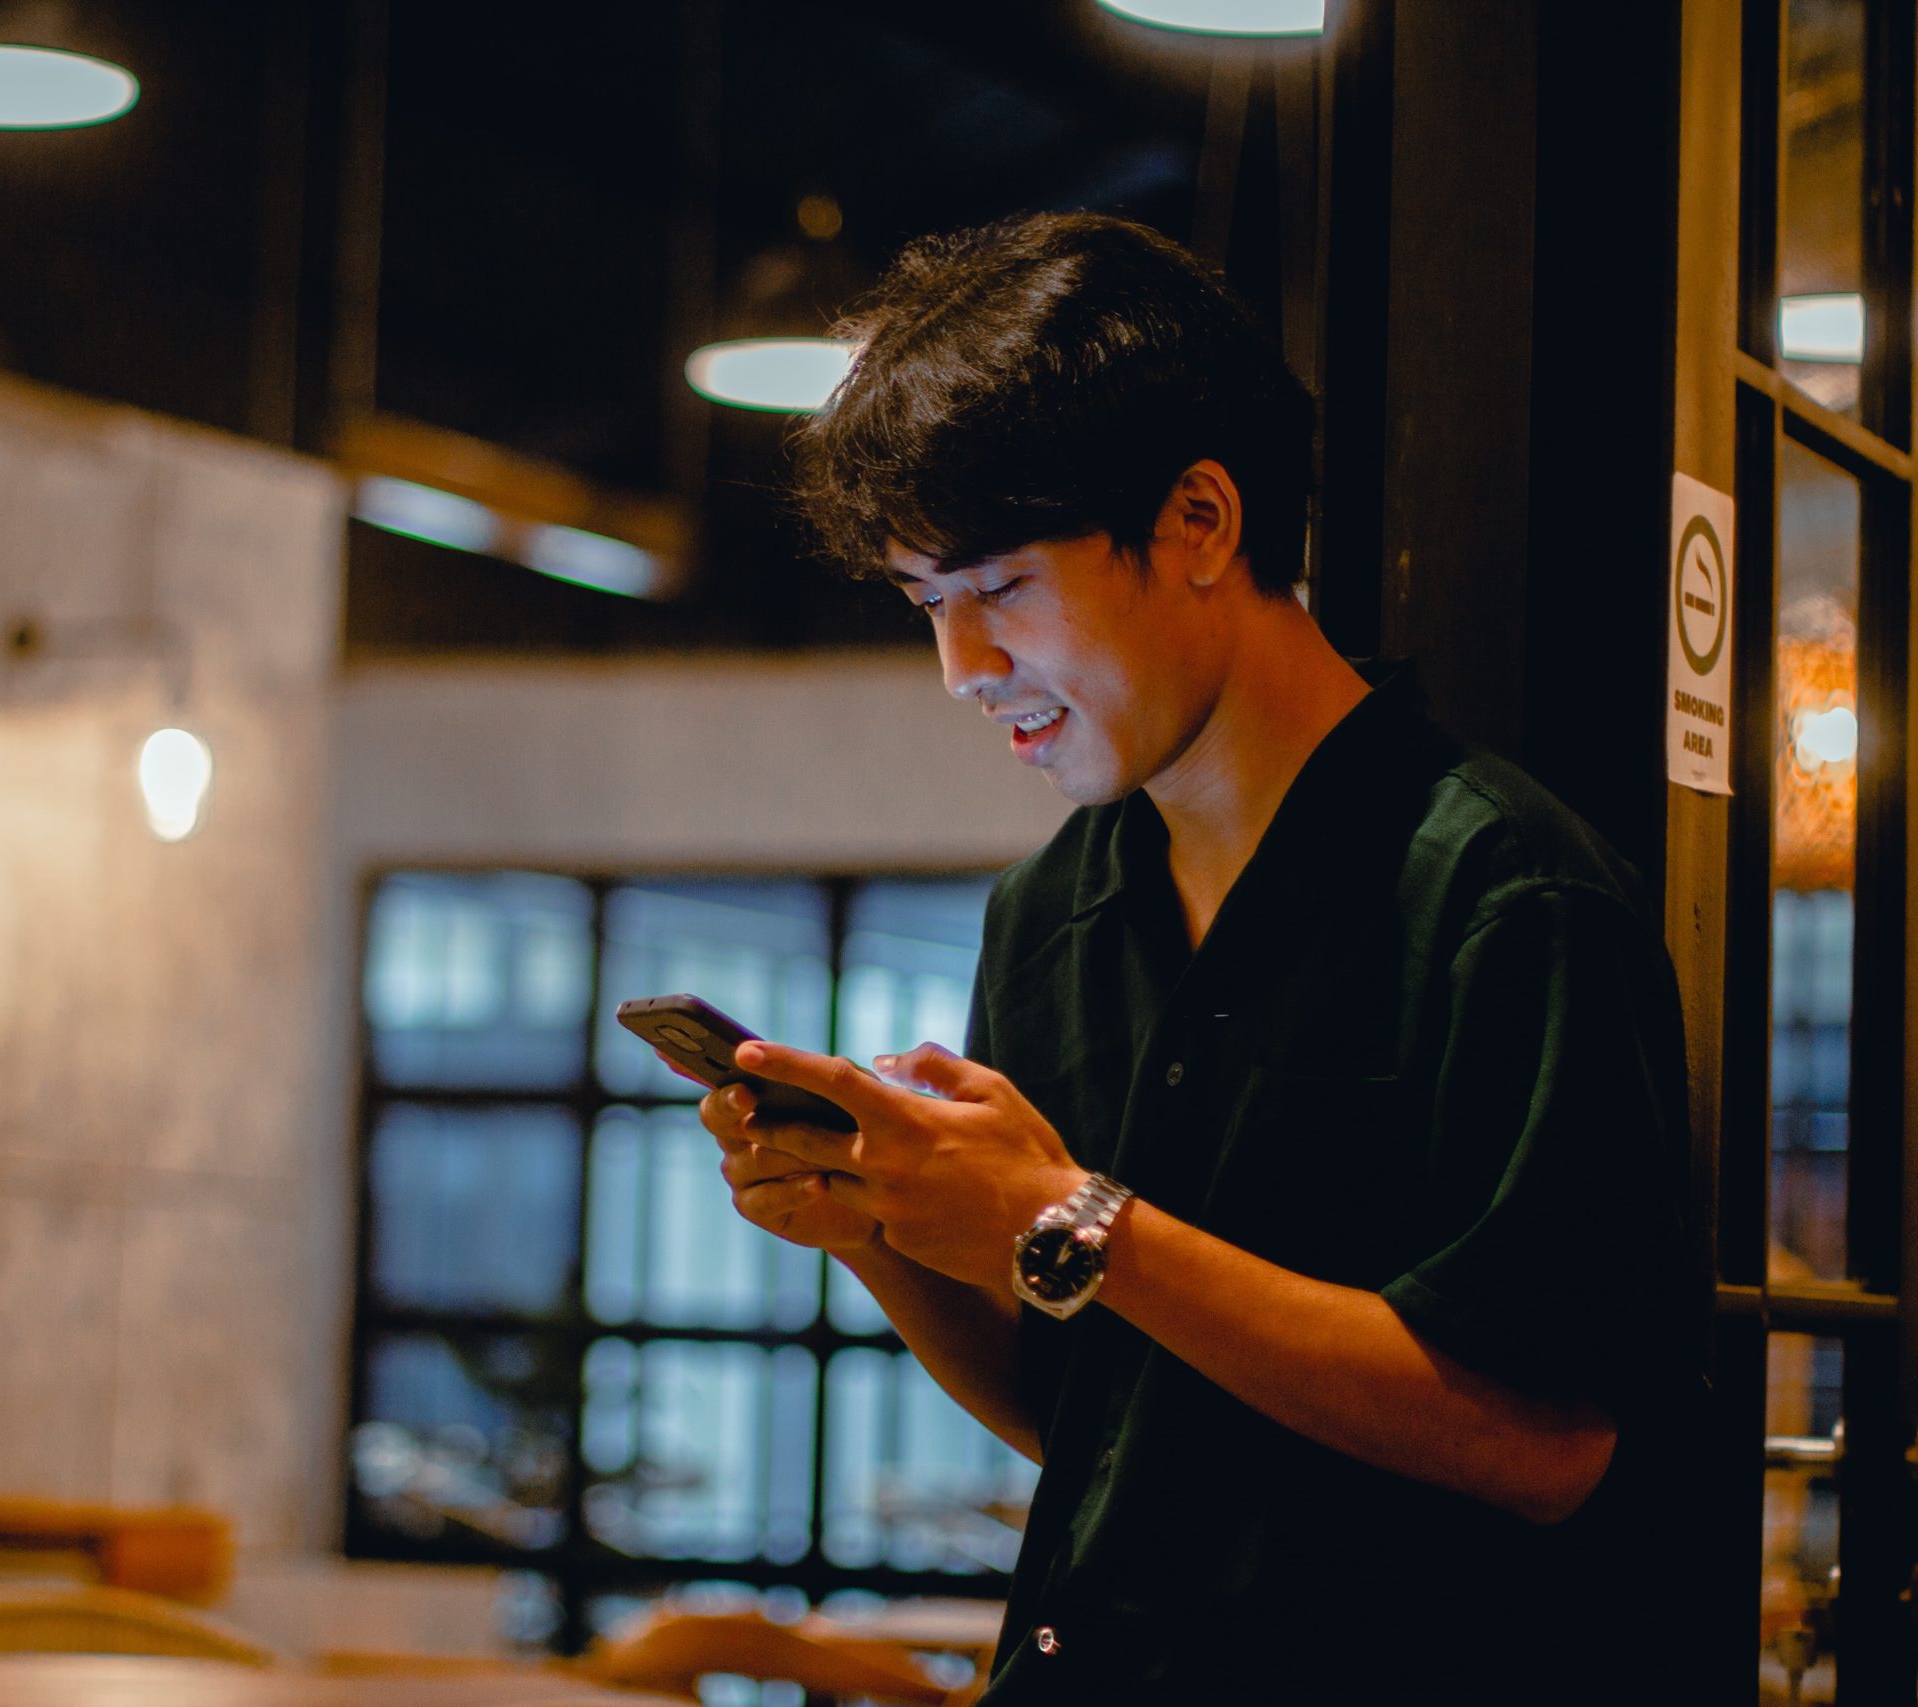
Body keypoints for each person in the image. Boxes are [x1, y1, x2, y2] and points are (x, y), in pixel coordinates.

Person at [683, 214, 1708, 1704]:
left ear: (1201, 524)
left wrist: (1076, 1219)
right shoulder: (1051, 910)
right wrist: (875, 1227)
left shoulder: (1504, 893)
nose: (964, 669)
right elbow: (1096, 1413)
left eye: (1001, 588)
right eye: (927, 606)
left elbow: (1542, 1445)